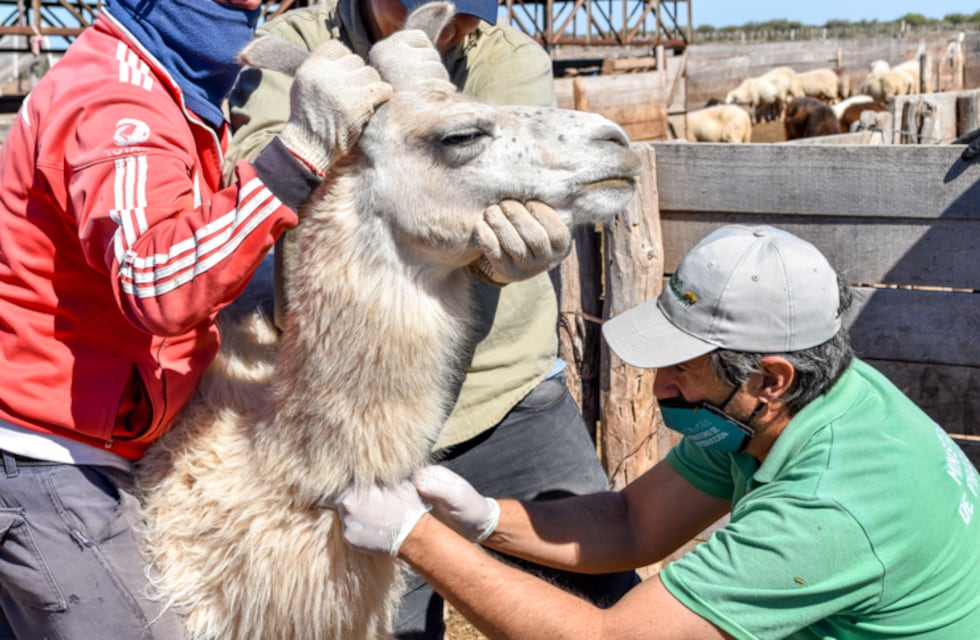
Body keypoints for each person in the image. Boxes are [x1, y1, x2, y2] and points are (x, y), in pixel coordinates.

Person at [0, 0, 422, 636]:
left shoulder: (172, 89)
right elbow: (157, 280)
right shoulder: (120, 103)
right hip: (48, 456)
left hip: (94, 435)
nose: (247, 10)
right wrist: (299, 155)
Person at [336, 224, 980, 639]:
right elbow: (633, 524)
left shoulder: (826, 507)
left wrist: (413, 538)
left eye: (683, 368)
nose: (659, 387)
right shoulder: (797, 410)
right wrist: (482, 520)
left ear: (772, 379)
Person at [225, 0, 640, 636]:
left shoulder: (507, 58)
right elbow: (257, 175)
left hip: (501, 392)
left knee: (605, 592)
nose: (448, 27)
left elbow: (496, 168)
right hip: (354, 412)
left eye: (466, 12)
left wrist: (500, 260)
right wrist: (319, 131)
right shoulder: (302, 41)